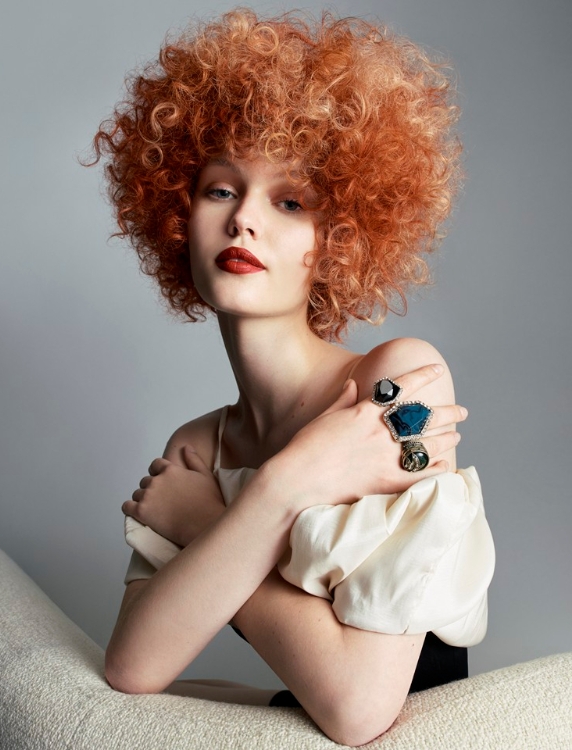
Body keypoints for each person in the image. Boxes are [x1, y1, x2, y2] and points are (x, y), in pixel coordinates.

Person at [92, 9, 494, 746]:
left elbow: (358, 708)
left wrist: (206, 523)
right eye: (220, 189)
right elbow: (132, 667)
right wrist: (288, 485)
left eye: (289, 201)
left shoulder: (396, 381)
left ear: (337, 240)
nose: (244, 220)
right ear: (177, 214)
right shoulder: (196, 449)